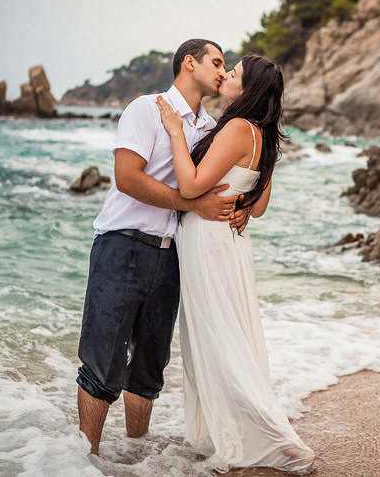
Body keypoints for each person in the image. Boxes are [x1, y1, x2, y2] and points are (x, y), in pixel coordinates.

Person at [76, 39, 251, 456]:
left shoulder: (210, 129)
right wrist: (192, 203)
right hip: (121, 247)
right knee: (103, 364)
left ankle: (135, 457)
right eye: (216, 62)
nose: (223, 72)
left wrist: (242, 206)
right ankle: (84, 462)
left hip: (171, 256)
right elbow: (127, 178)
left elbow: (226, 180)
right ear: (189, 63)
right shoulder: (146, 107)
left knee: (149, 371)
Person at [155, 54, 317, 475]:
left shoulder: (235, 128)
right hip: (231, 243)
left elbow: (191, 185)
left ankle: (272, 438)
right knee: (227, 335)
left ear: (247, 90)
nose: (227, 75)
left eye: (236, 74)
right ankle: (238, 429)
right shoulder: (262, 136)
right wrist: (240, 202)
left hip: (209, 242)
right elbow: (258, 207)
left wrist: (175, 132)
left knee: (218, 338)